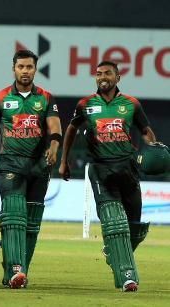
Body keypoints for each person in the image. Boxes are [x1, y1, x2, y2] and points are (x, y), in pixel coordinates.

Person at [59, 60, 156, 292]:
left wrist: (154, 148)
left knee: (135, 227)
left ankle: (112, 250)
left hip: (128, 169)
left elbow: (145, 131)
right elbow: (72, 129)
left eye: (108, 73)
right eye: (99, 73)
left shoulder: (131, 104)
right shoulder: (85, 104)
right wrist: (64, 160)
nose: (103, 77)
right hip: (101, 169)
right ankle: (127, 277)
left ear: (118, 78)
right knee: (115, 222)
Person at [0, 49, 61, 289]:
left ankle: (17, 272)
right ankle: (16, 269)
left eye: (29, 67)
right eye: (21, 67)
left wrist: (54, 147)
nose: (25, 71)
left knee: (32, 224)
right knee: (13, 217)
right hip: (10, 164)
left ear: (35, 69)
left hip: (39, 166)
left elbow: (55, 127)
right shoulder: (1, 97)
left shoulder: (45, 97)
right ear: (13, 69)